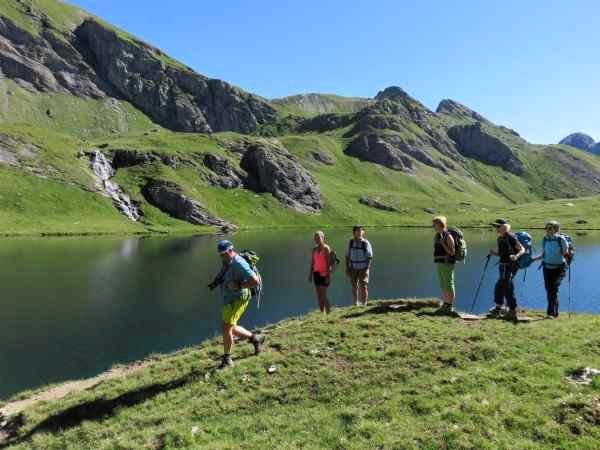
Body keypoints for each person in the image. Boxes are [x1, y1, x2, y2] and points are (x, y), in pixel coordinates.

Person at [213, 240, 264, 369]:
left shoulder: (239, 263)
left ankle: (227, 359)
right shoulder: (228, 261)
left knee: (226, 328)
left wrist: (239, 286)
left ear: (231, 250)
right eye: (220, 255)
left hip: (237, 299)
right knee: (231, 327)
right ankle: (255, 338)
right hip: (229, 299)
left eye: (224, 254)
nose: (222, 257)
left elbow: (255, 281)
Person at [488, 219, 525, 321]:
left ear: (504, 227)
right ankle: (499, 307)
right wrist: (494, 253)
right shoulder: (500, 238)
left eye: (497, 226)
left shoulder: (510, 236)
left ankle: (511, 310)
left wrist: (516, 256)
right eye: (495, 226)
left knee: (506, 286)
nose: (496, 228)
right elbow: (502, 254)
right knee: (501, 285)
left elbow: (522, 249)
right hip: (503, 265)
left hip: (511, 265)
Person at [532, 221, 569, 318]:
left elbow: (566, 253)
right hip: (546, 267)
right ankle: (554, 313)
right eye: (546, 228)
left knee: (553, 289)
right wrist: (533, 259)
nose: (547, 230)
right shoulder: (545, 239)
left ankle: (551, 313)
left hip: (559, 268)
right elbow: (544, 255)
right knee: (549, 290)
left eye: (550, 228)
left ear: (556, 229)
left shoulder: (561, 239)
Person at [432, 216, 456, 315]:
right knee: (443, 284)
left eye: (435, 224)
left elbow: (452, 252)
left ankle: (449, 306)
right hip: (440, 262)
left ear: (440, 224)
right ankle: (445, 304)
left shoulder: (448, 236)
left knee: (449, 284)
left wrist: (443, 244)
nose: (433, 226)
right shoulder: (437, 235)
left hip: (447, 263)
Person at [346, 225, 373, 306]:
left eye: (361, 231)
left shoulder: (366, 243)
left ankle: (364, 304)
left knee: (363, 286)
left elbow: (370, 257)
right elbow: (347, 256)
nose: (359, 232)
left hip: (363, 268)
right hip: (353, 267)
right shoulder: (350, 242)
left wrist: (366, 269)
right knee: (354, 286)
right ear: (354, 233)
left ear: (363, 232)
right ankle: (355, 303)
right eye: (357, 231)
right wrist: (348, 268)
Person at [308, 231, 333, 314]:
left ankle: (329, 313)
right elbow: (312, 262)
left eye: (318, 238)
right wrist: (310, 274)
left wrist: (328, 276)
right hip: (316, 274)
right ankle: (322, 313)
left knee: (323, 295)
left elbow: (329, 264)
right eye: (315, 238)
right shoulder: (314, 249)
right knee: (319, 295)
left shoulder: (326, 248)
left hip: (324, 274)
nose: (316, 240)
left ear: (323, 238)